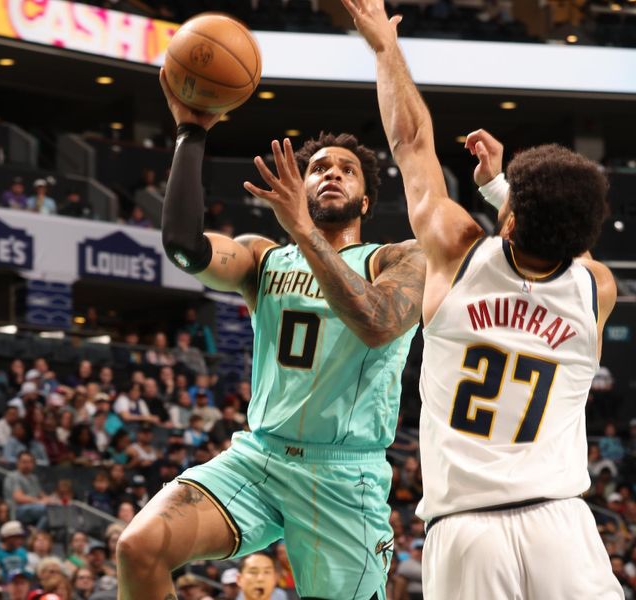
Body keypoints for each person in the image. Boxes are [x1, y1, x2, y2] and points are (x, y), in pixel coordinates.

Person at [343, 0, 621, 596]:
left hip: (467, 531)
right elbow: (575, 247)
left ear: (511, 223)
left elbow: (412, 142)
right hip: (563, 525)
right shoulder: (596, 290)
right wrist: (503, 191)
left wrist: (385, 47)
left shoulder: (457, 252)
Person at [116, 67, 425, 599]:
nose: (331, 174)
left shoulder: (397, 259)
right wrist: (192, 133)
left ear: (367, 200)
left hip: (342, 477)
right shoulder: (263, 257)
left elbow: (378, 323)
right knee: (139, 548)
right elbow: (185, 246)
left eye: (346, 170)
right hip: (258, 457)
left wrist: (304, 231)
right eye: (319, 168)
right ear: (298, 188)